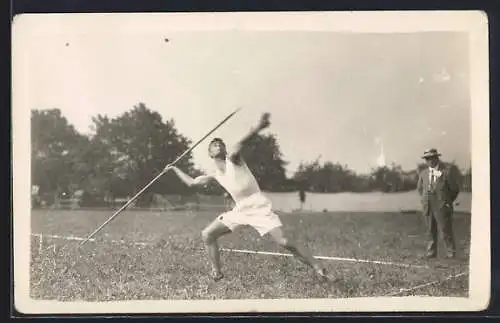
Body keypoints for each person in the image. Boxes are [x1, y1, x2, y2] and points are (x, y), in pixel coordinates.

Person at [164, 113, 328, 281]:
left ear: (225, 149)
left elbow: (241, 143)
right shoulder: (214, 174)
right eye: (214, 144)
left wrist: (258, 127)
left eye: (220, 143)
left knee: (284, 241)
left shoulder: (234, 159)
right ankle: (217, 271)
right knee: (207, 235)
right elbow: (192, 183)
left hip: (257, 205)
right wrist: (174, 169)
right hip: (240, 209)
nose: (218, 144)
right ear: (210, 154)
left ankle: (318, 267)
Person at [417, 148, 460, 259]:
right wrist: (425, 200)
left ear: (436, 158)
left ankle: (451, 252)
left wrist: (446, 201)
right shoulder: (423, 173)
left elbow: (454, 189)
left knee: (445, 229)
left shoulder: (446, 171)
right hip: (428, 205)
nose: (429, 161)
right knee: (430, 229)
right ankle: (431, 252)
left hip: (442, 205)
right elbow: (420, 189)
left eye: (431, 158)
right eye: (427, 159)